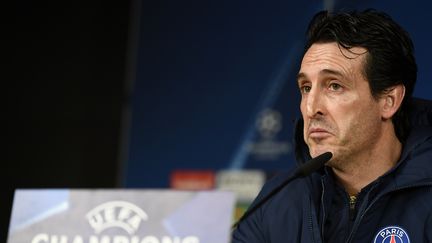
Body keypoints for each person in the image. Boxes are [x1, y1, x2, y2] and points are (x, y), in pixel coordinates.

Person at [231, 9, 432, 243]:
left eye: (334, 86)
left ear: (389, 101)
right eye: (306, 88)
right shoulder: (276, 201)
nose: (310, 108)